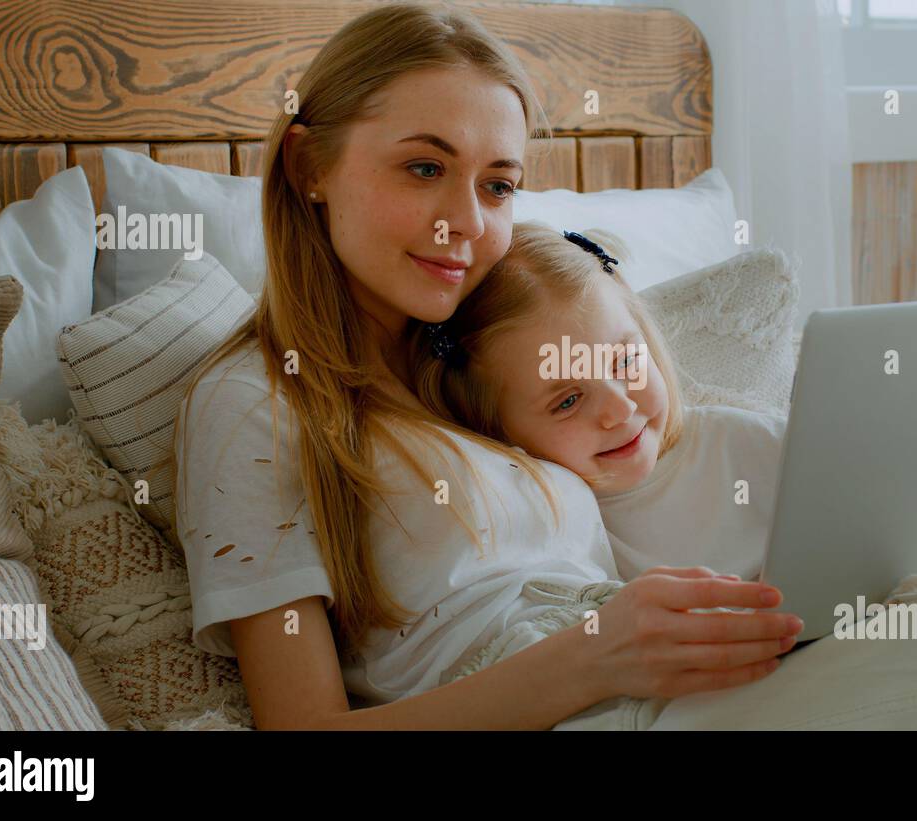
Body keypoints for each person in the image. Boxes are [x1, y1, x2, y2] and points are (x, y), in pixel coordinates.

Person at [170, 1, 801, 731]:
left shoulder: (484, 364)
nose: (465, 222)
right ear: (310, 166)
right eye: (424, 167)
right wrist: (598, 656)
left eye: (497, 184)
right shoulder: (253, 403)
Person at [412, 221, 785, 583]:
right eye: (569, 400)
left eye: (625, 362)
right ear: (493, 429)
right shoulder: (543, 531)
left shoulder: (743, 443)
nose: (620, 409)